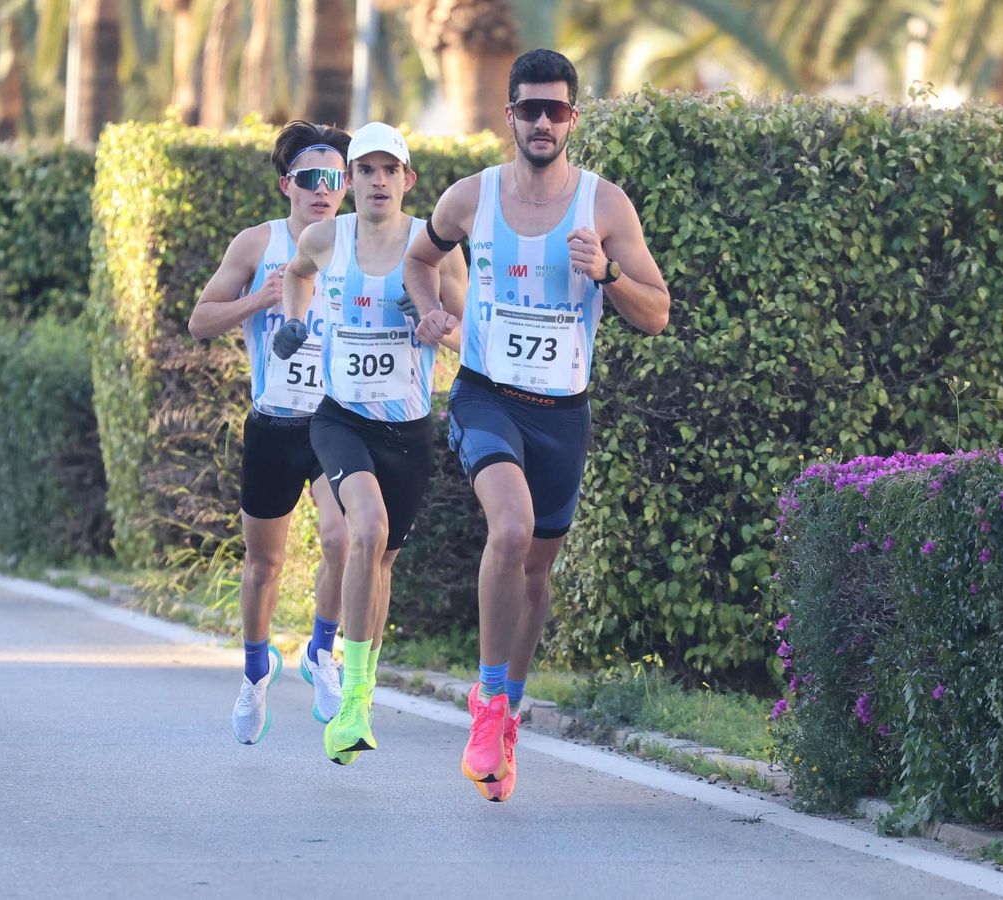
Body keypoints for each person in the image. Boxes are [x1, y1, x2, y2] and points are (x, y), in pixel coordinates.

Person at [403, 49, 672, 801]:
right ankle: (487, 704)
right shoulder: (470, 197)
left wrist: (609, 275)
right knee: (511, 529)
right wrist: (432, 308)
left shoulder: (605, 207)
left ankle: (510, 711)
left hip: (564, 415)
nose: (544, 122)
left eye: (557, 110)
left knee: (536, 572)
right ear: (511, 115)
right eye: (531, 109)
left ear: (573, 119)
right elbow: (420, 260)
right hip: (487, 398)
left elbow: (657, 314)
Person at [275, 122, 469, 765]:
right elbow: (296, 273)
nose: (378, 180)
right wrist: (296, 322)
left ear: (408, 180)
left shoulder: (431, 246)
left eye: (391, 170)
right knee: (366, 530)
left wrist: (441, 325)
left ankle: (362, 681)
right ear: (350, 181)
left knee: (381, 559)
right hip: (340, 419)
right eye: (366, 170)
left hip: (408, 427)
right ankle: (352, 696)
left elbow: (469, 331)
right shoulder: (326, 237)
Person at [186, 120, 352, 745]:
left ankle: (321, 649)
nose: (324, 190)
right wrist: (260, 301)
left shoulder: (362, 244)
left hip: (337, 423)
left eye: (335, 179)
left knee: (343, 536)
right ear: (287, 185)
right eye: (311, 179)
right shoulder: (257, 245)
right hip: (274, 423)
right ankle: (256, 671)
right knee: (264, 564)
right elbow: (201, 321)